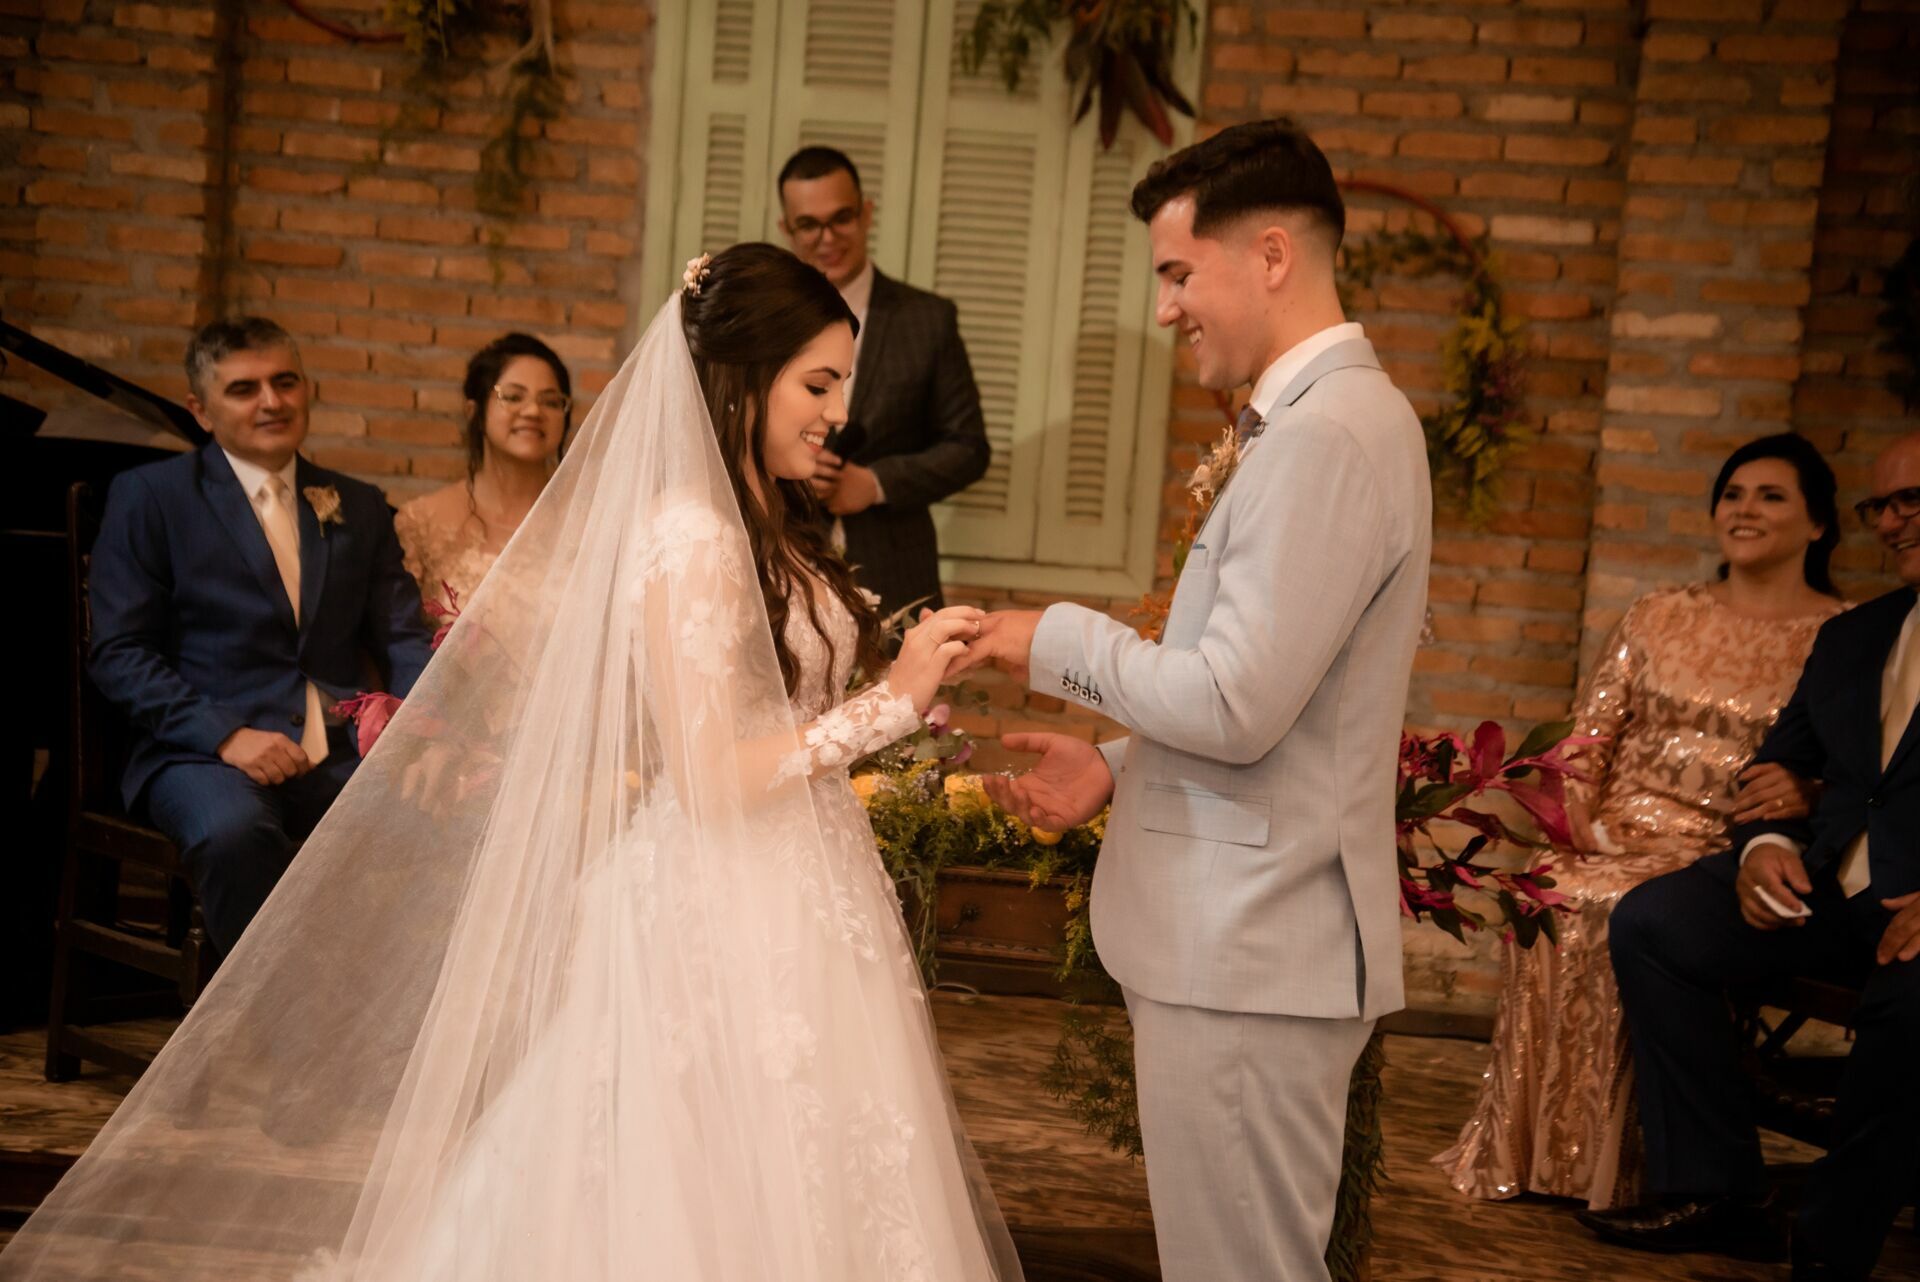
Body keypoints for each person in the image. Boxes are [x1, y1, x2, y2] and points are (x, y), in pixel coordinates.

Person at [1, 246, 1019, 1282]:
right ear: (744, 379)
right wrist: (893, 705)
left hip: (802, 882)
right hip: (726, 890)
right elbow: (713, 777)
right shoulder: (693, 538)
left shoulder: (778, 522)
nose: (838, 412)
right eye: (819, 383)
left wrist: (904, 668)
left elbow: (776, 702)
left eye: (841, 383)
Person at [958, 119, 1431, 1282]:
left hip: (1252, 949)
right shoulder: (1321, 424)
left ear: (1270, 255)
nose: (1165, 307)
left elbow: (1233, 703)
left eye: (1178, 273)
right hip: (1245, 945)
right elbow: (1276, 686)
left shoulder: (1327, 437)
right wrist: (1119, 761)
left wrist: (1052, 638)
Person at [1435, 433, 1843, 1210]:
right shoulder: (1658, 615)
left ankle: (1629, 1172)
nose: (1744, 510)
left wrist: (1806, 799)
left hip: (1724, 853)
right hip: (1615, 834)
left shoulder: (1845, 635)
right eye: (1732, 494)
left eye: (1771, 496)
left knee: (1635, 912)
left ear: (1818, 523)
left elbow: (1848, 769)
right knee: (1550, 891)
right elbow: (1586, 740)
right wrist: (1581, 822)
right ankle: (1539, 1156)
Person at [1580, 430, 1920, 1281]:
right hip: (1830, 889)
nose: (1893, 520)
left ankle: (1831, 1253)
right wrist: (1766, 843)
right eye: (1882, 505)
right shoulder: (1858, 635)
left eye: (1914, 499)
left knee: (1909, 1008)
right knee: (1656, 921)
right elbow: (1787, 763)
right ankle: (1721, 1190)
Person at [84, 316, 434, 955]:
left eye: (285, 382)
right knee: (235, 834)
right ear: (201, 410)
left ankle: (396, 1030)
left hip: (337, 751)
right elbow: (119, 653)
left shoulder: (354, 503)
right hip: (200, 753)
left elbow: (404, 637)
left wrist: (421, 736)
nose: (271, 401)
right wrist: (224, 735)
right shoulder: (151, 497)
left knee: (451, 821)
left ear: (308, 391)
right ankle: (264, 1039)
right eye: (245, 389)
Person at [777, 145, 990, 617]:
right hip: (781, 566)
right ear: (786, 230)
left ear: (866, 213)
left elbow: (969, 447)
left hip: (897, 576)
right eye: (808, 225)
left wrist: (873, 483)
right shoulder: (768, 323)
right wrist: (789, 472)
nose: (827, 238)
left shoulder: (927, 320)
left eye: (841, 219)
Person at [394, 333, 571, 621]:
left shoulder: (589, 525)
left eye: (551, 401)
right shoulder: (421, 523)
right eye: (513, 397)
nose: (533, 411)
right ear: (474, 411)